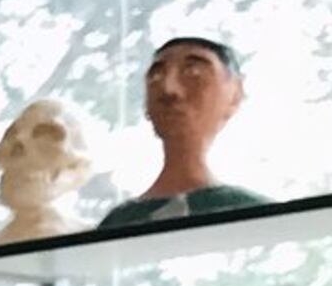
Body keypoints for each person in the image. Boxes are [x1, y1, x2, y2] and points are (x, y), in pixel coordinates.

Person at [94, 35, 273, 228]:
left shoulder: (253, 213)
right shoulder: (120, 222)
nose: (168, 89)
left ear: (235, 94)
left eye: (194, 72)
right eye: (156, 76)